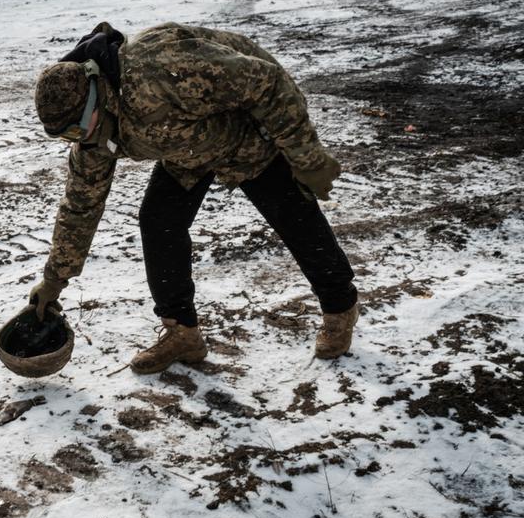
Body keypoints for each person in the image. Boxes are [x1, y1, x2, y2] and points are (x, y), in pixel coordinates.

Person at [29, 22, 359, 374]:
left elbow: (266, 82)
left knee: (290, 213)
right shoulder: (94, 135)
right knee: (159, 221)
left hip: (247, 126)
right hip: (186, 141)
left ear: (97, 95)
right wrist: (54, 280)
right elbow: (81, 206)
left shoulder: (158, 69)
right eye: (64, 136)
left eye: (77, 129)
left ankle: (340, 306)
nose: (76, 139)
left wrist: (306, 158)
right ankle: (182, 332)